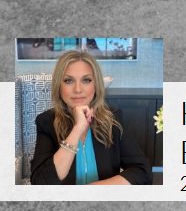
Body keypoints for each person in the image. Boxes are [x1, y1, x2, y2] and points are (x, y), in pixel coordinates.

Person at [29, 50, 150, 185]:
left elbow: (142, 172)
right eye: (68, 80)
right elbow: (40, 183)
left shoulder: (112, 120)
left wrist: (93, 189)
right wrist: (77, 129)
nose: (78, 89)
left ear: (96, 85)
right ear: (59, 86)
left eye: (86, 80)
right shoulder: (46, 122)